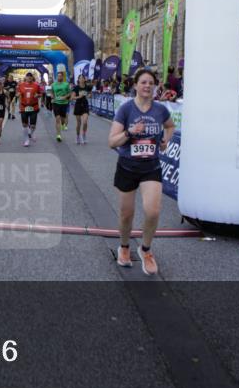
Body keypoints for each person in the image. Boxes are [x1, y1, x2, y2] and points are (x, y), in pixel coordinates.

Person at [108, 68, 175, 275]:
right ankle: (125, 246)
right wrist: (129, 132)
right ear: (135, 85)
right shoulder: (126, 110)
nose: (147, 86)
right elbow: (111, 142)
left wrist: (165, 140)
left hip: (150, 167)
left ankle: (146, 250)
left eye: (151, 83)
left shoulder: (160, 110)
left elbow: (170, 126)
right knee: (127, 214)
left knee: (153, 211)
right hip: (127, 166)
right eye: (143, 82)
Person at [17, 71, 42, 147]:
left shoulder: (36, 85)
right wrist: (18, 95)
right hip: (24, 106)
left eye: (30, 76)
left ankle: (30, 133)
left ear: (32, 77)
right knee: (24, 124)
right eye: (28, 76)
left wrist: (38, 95)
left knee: (33, 126)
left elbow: (40, 94)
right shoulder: (21, 85)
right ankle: (26, 140)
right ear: (26, 77)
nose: (29, 77)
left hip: (33, 107)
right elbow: (18, 94)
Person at [72, 73, 93, 144]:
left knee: (85, 122)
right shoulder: (76, 88)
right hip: (78, 105)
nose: (81, 79)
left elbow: (90, 94)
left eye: (82, 78)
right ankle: (77, 136)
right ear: (78, 80)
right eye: (80, 78)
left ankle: (83, 135)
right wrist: (79, 96)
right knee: (79, 123)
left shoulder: (87, 87)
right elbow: (72, 97)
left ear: (84, 79)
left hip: (85, 105)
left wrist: (89, 95)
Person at [51, 70, 71, 142]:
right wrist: (52, 97)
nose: (59, 77)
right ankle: (58, 135)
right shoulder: (53, 84)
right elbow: (52, 92)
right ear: (57, 77)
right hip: (56, 103)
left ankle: (63, 124)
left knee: (62, 119)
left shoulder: (66, 84)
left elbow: (69, 93)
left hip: (64, 103)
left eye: (60, 76)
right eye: (58, 76)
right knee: (57, 119)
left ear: (62, 77)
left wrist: (65, 97)